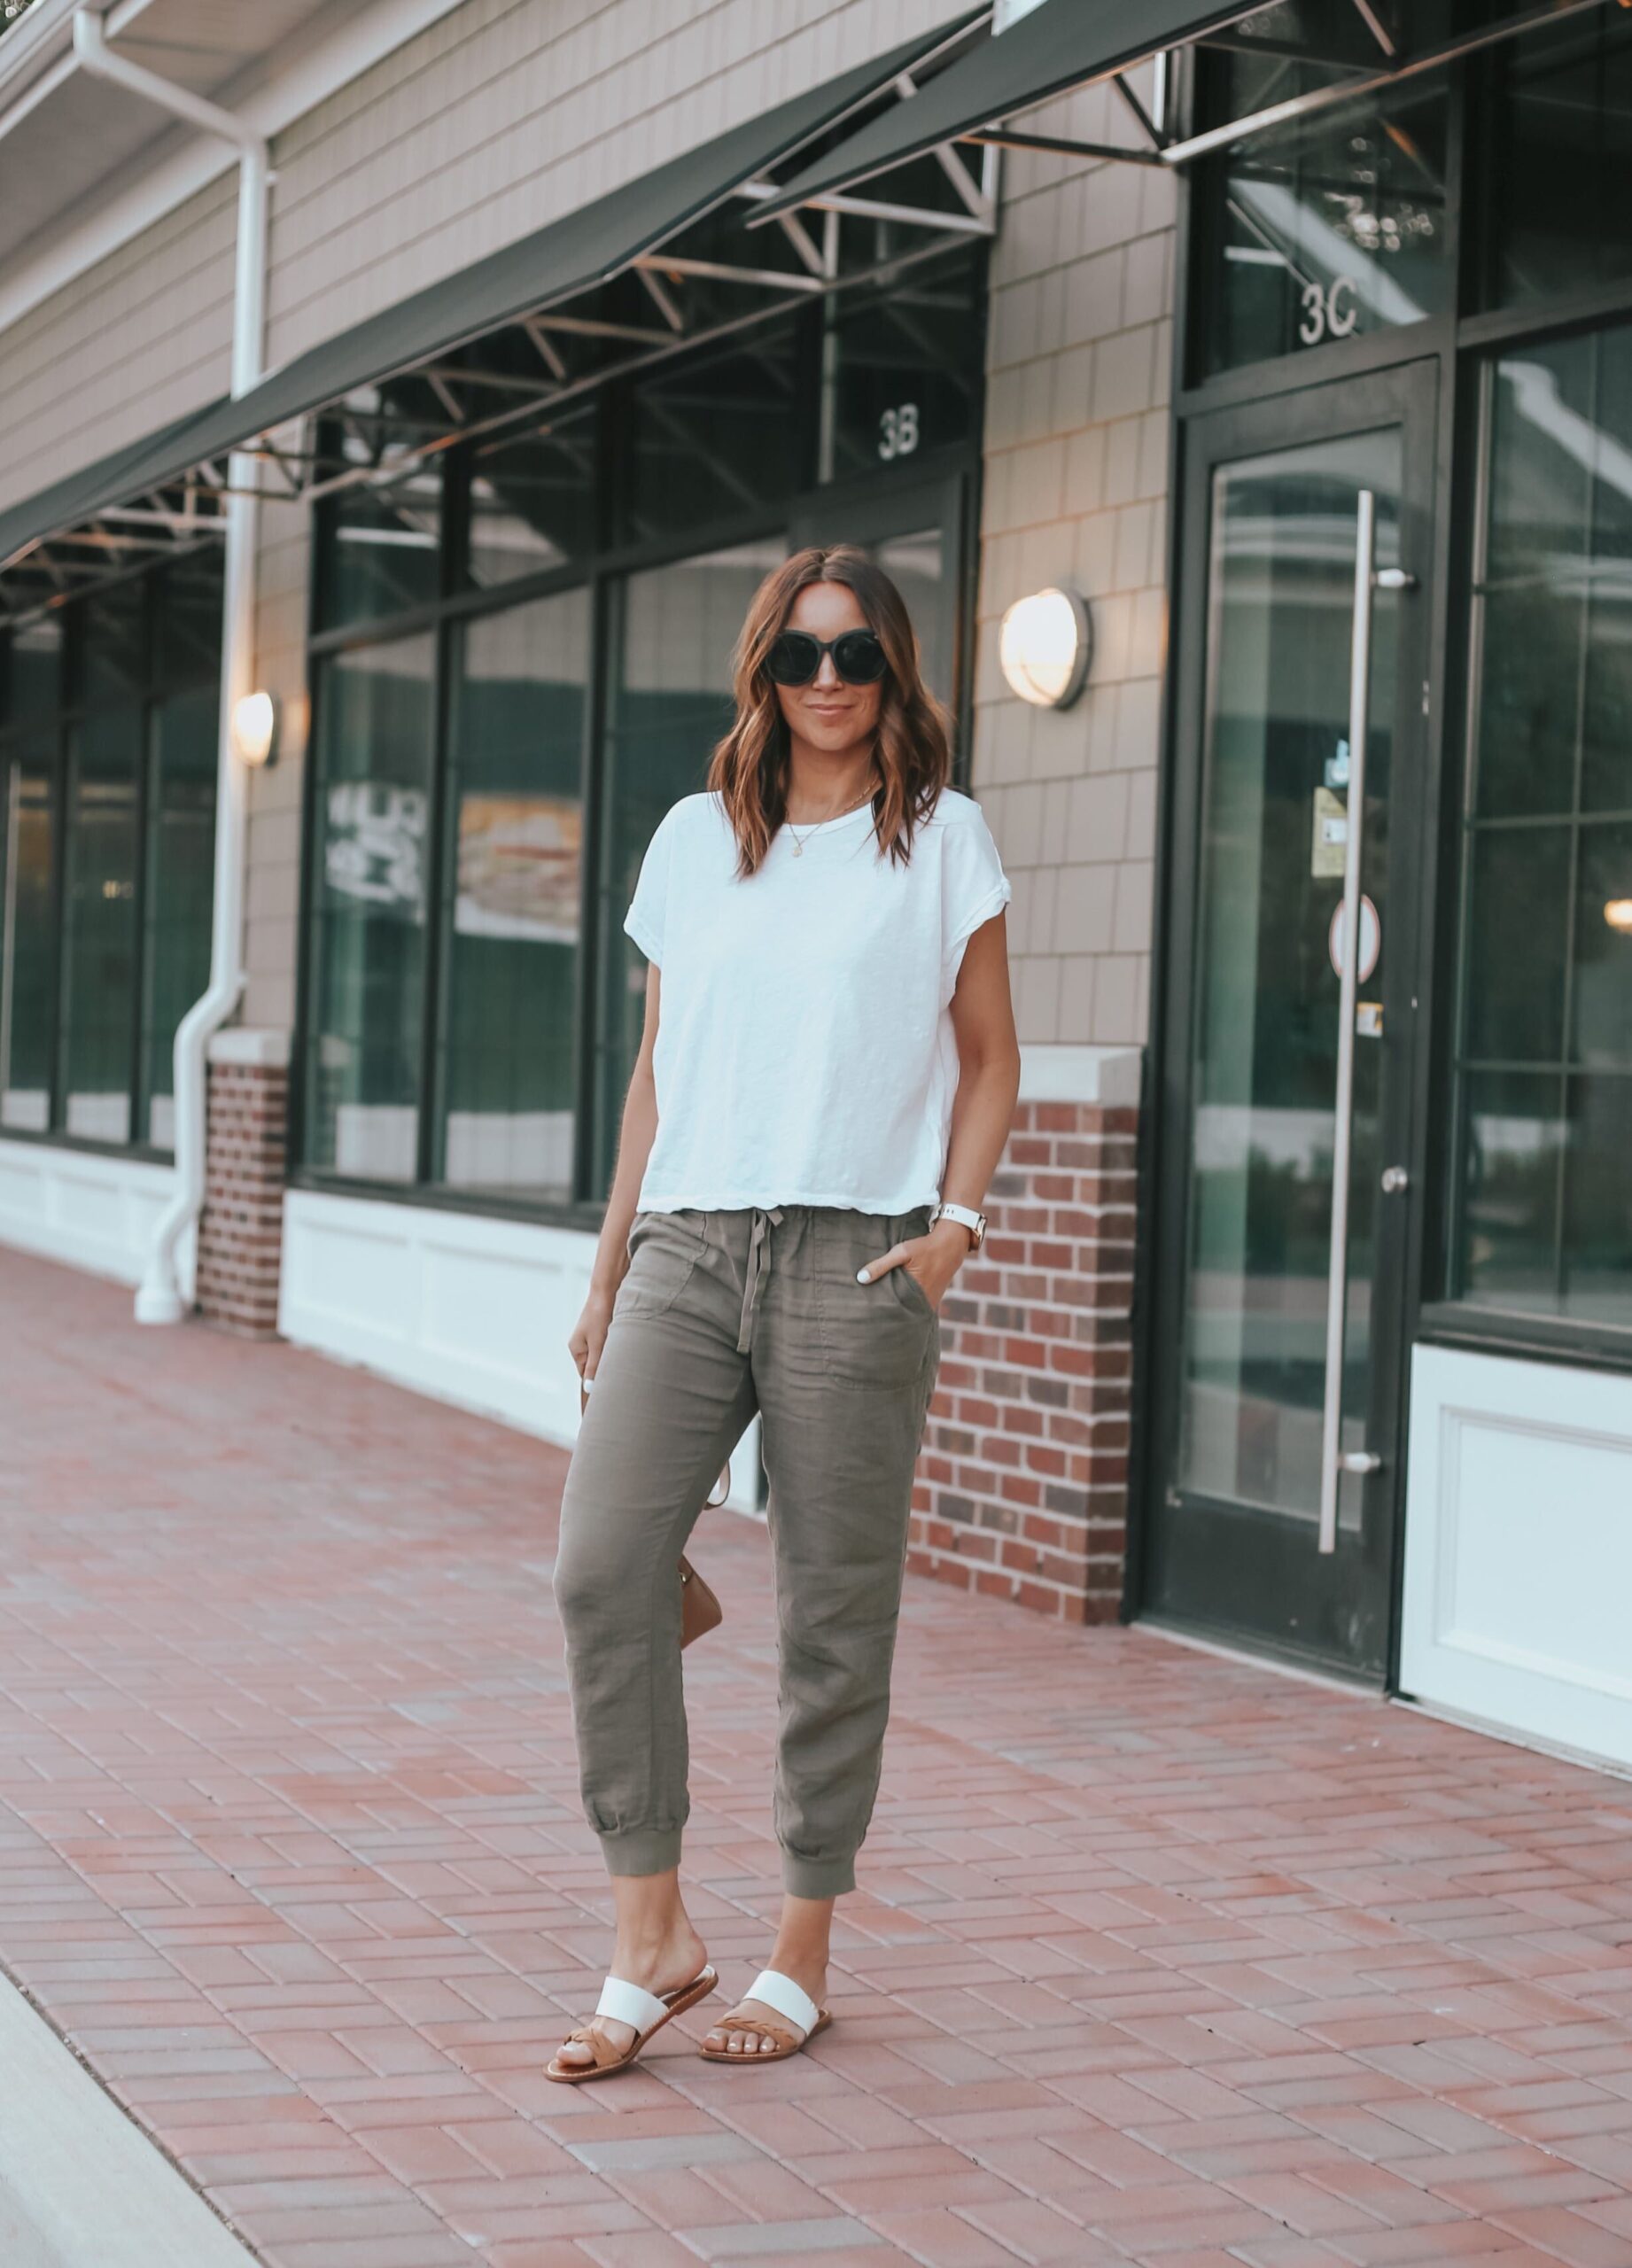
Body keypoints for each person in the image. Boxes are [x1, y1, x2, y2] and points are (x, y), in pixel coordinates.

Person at [548, 544, 1020, 2083]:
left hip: (856, 1257)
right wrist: (609, 1268)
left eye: (855, 657)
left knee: (832, 1611)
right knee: (602, 1567)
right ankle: (653, 1937)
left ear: (895, 671)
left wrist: (951, 1232)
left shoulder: (943, 840)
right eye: (797, 657)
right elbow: (656, 1071)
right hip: (689, 1244)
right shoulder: (698, 838)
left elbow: (992, 1056)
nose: (825, 682)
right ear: (762, 672)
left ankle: (799, 1950)